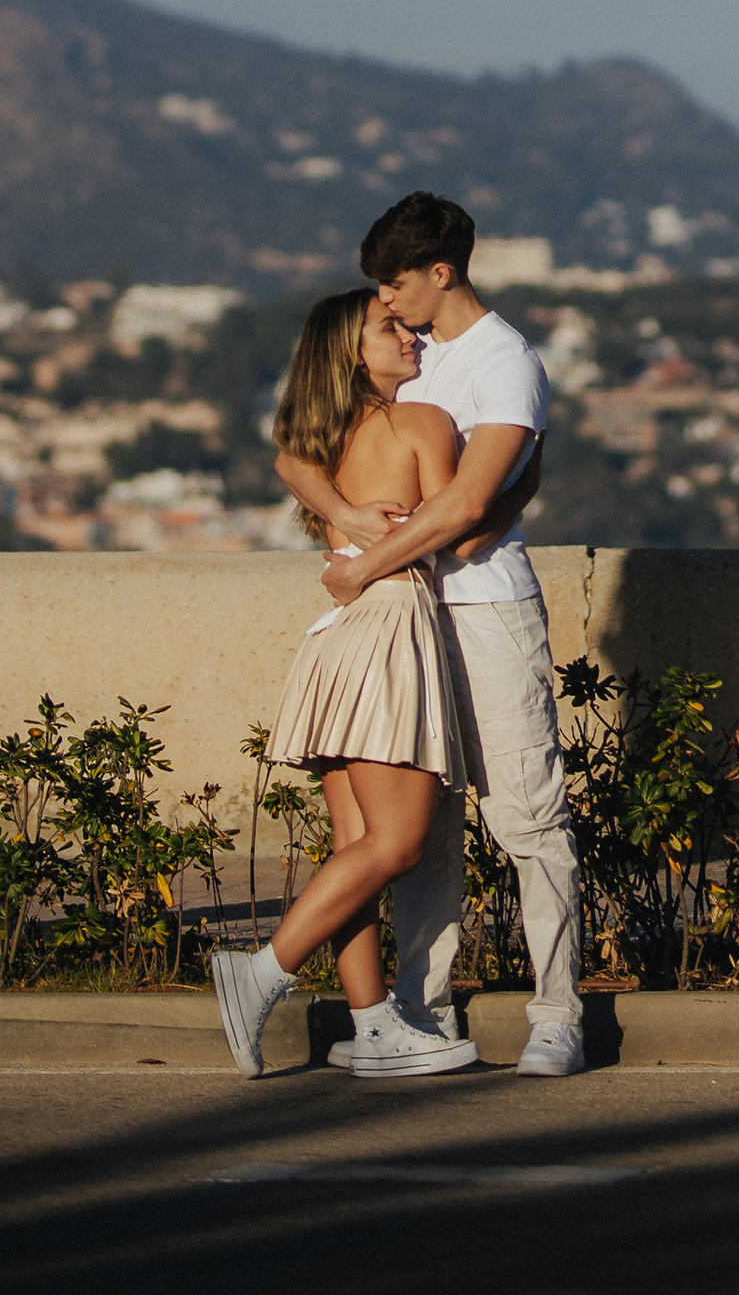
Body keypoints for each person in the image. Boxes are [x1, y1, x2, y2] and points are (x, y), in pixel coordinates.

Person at [284, 192, 584, 1079]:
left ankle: (557, 1014)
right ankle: (417, 1010)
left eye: (395, 281)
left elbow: (467, 507)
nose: (385, 301)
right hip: (401, 624)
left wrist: (361, 563)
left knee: (528, 817)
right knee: (424, 828)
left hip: (484, 609)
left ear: (439, 274)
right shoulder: (406, 358)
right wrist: (345, 515)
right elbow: (300, 442)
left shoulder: (505, 363)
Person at [212, 288, 484, 1080]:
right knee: (396, 843)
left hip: (340, 636)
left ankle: (371, 1027)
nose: (411, 337)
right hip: (392, 628)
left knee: (355, 847)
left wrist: (347, 527)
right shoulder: (422, 424)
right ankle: (260, 972)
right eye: (389, 328)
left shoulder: (325, 442)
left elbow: (285, 457)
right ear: (351, 354)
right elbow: (454, 532)